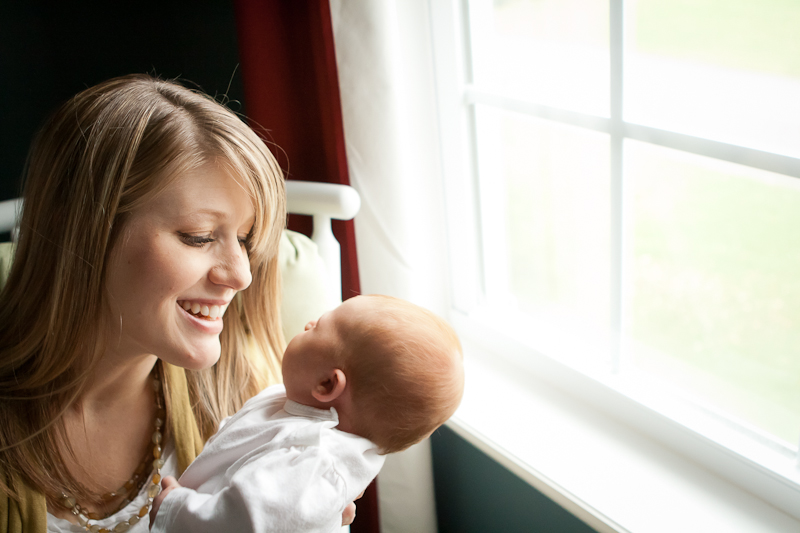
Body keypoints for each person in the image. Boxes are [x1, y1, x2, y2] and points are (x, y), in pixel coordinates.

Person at [0, 74, 366, 533]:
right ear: (82, 232)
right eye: (199, 236)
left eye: (245, 240)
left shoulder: (255, 402)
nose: (240, 275)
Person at [149, 294, 464, 533]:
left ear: (327, 384)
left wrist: (176, 508)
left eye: (318, 327)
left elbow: (244, 521)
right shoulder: (294, 408)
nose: (308, 324)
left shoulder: (313, 463)